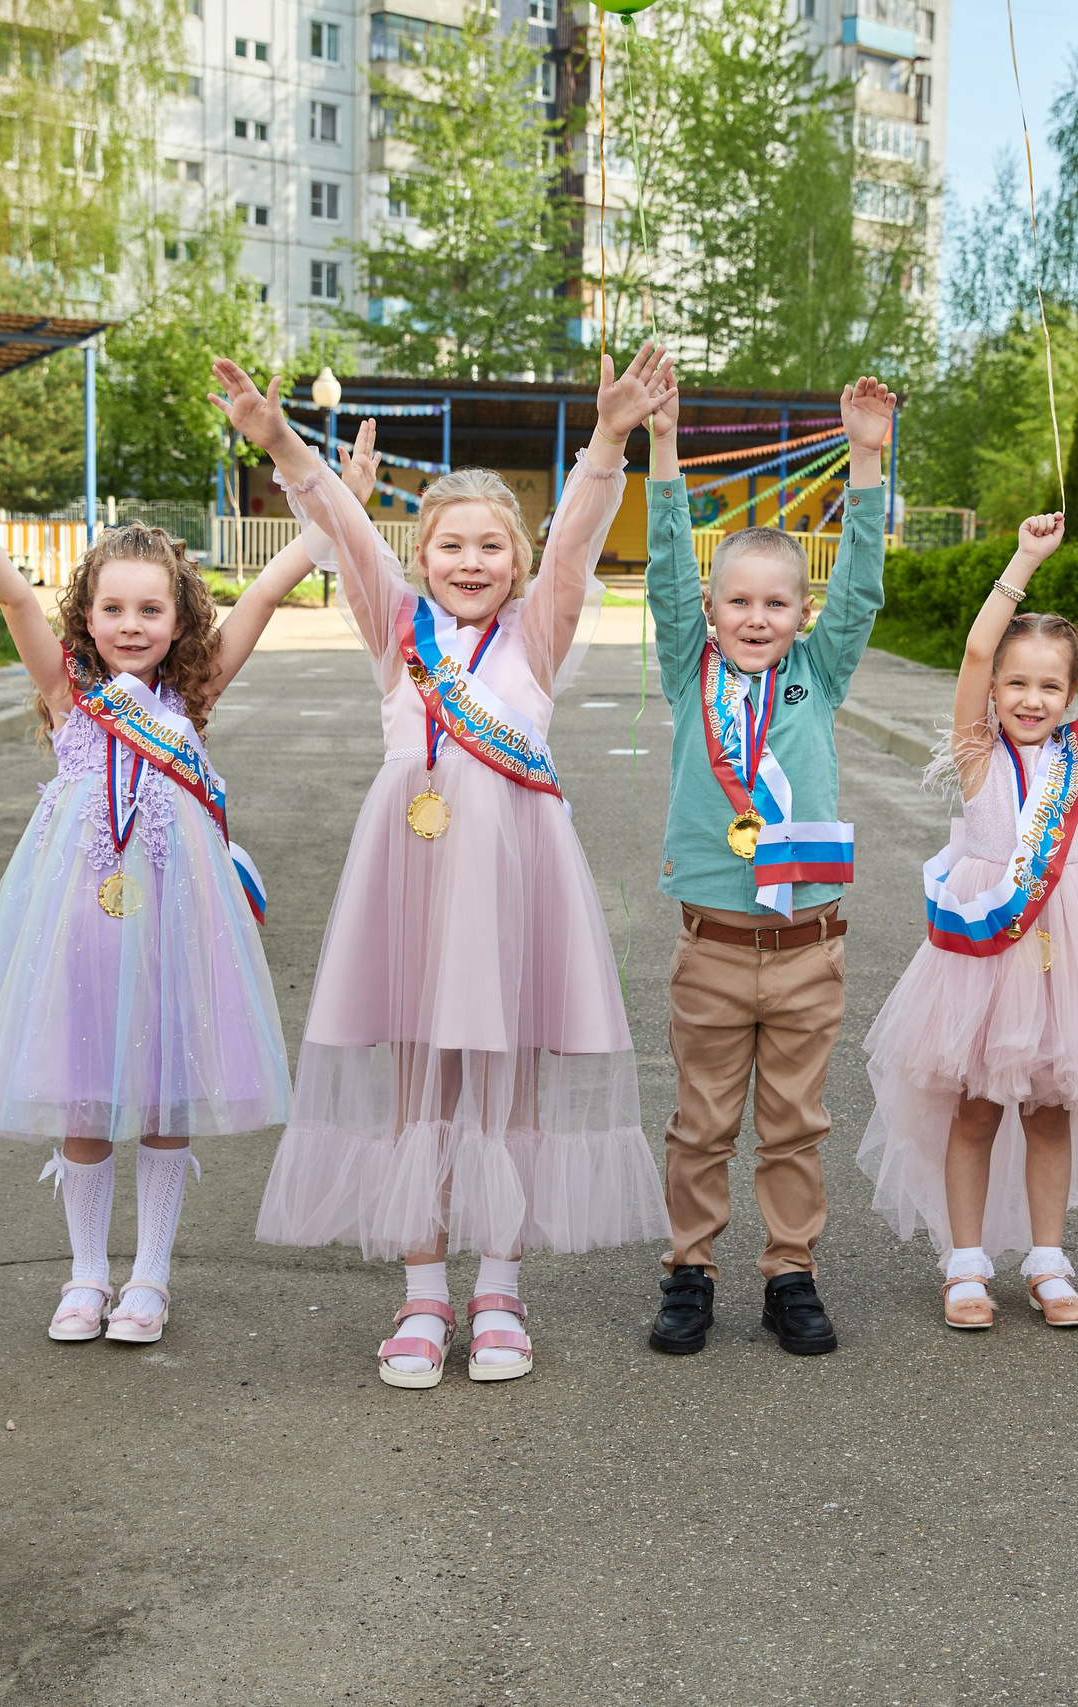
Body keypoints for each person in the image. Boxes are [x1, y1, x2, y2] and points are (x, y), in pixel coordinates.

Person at [220, 349, 672, 1389]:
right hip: (413, 883)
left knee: (507, 1089)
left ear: (515, 561)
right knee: (415, 1084)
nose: (469, 562)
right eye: (448, 545)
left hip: (515, 887)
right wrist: (286, 445)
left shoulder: (539, 638)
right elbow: (341, 530)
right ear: (419, 557)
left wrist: (608, 439)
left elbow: (580, 541)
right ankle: (424, 1295)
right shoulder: (395, 632)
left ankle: (500, 1290)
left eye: (490, 547)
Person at [0, 425, 317, 1343]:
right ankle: (87, 1273)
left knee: (166, 1094)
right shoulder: (64, 689)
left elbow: (267, 589)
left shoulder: (194, 691)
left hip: (174, 914)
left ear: (180, 620)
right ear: (85, 615)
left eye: (151, 610)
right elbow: (8, 589)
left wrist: (325, 500)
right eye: (114, 608)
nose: (131, 626)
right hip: (76, 918)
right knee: (84, 1090)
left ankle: (152, 1276)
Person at [854, 488, 1078, 1329]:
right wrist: (1024, 560)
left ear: (1070, 696)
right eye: (1016, 683)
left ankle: (1046, 1256)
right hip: (983, 950)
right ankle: (965, 1262)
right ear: (996, 689)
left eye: (1049, 686)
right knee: (973, 1106)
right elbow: (969, 654)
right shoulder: (975, 755)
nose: (1031, 698)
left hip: (1071, 944)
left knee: (1048, 1107)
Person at [643, 369, 896, 1358]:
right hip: (711, 941)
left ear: (802, 612)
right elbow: (665, 566)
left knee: (794, 1127)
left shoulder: (820, 675)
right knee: (700, 1124)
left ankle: (790, 1273)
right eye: (737, 601)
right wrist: (662, 446)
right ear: (710, 608)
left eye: (777, 603)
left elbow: (865, 582)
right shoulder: (685, 667)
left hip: (806, 945)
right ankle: (690, 1272)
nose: (756, 618)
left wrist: (867, 461)